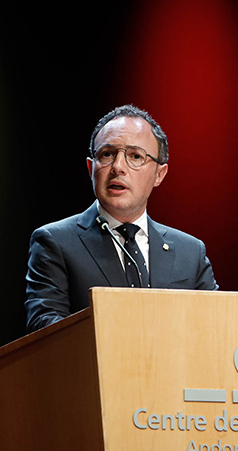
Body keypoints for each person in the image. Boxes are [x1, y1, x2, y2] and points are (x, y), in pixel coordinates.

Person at [24, 105, 218, 332]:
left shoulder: (191, 252)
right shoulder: (55, 242)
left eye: (135, 156)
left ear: (159, 174)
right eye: (107, 154)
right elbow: (45, 328)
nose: (118, 167)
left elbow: (215, 326)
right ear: (91, 167)